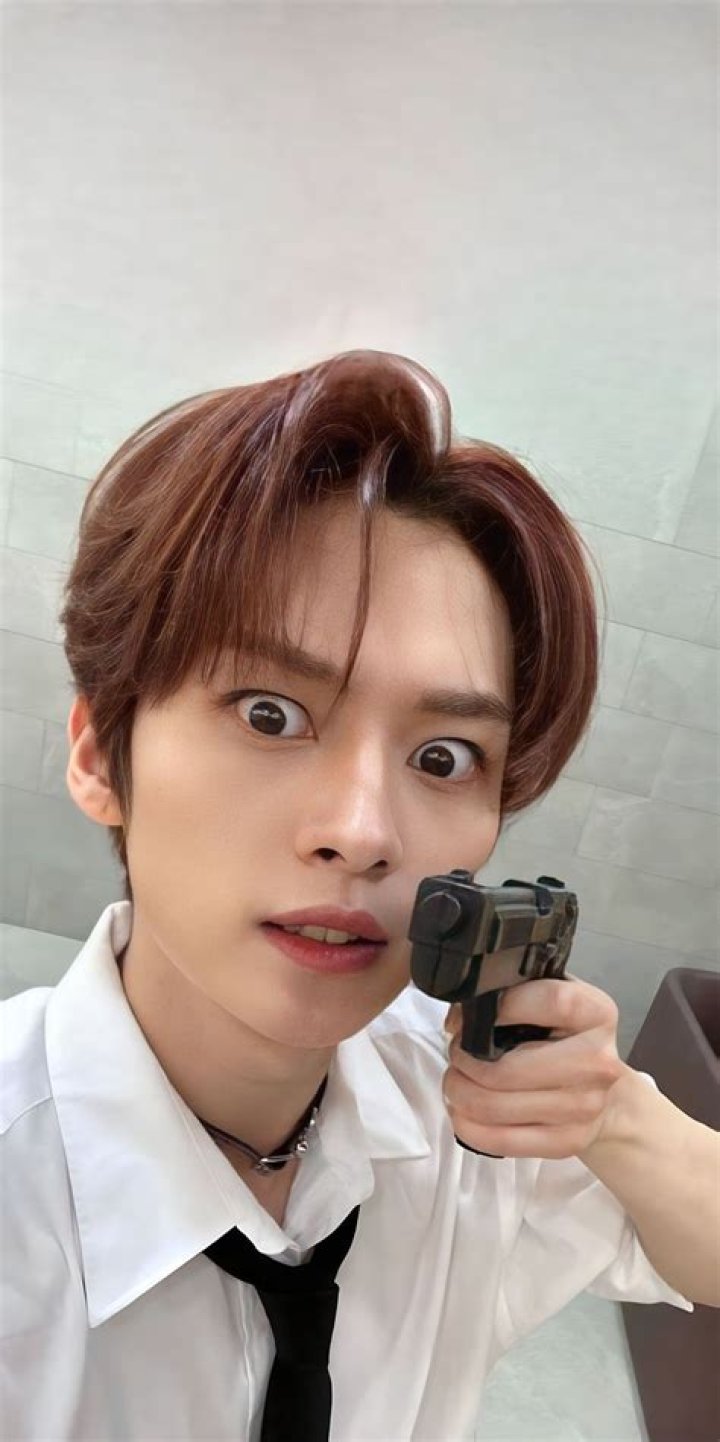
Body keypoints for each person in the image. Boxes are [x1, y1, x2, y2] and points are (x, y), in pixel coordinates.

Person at [1, 350, 715, 1442]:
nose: (364, 831)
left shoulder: (463, 1104)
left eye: (443, 757)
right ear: (102, 753)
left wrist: (616, 1115)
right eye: (269, 713)